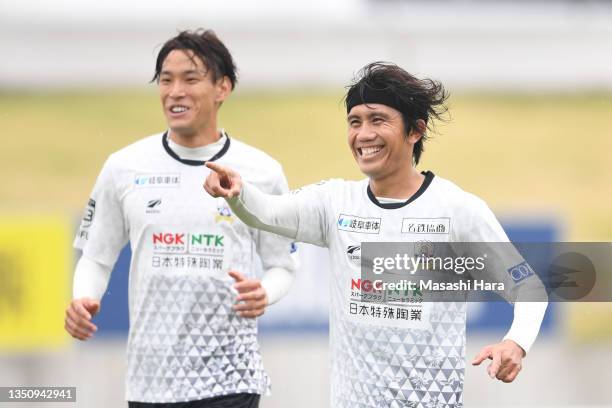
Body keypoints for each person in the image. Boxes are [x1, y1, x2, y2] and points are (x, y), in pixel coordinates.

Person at [204, 62, 548, 408]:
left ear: (415, 131)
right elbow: (267, 211)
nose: (363, 134)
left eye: (378, 120)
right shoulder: (335, 202)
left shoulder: (456, 209)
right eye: (355, 122)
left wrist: (515, 342)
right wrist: (238, 191)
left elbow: (528, 288)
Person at [64, 29, 296, 408]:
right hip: (150, 382)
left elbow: (283, 266)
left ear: (223, 87)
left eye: (190, 79)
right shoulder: (124, 167)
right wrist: (83, 299)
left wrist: (264, 293)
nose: (175, 91)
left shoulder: (261, 171)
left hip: (231, 378)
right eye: (166, 80)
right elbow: (96, 256)